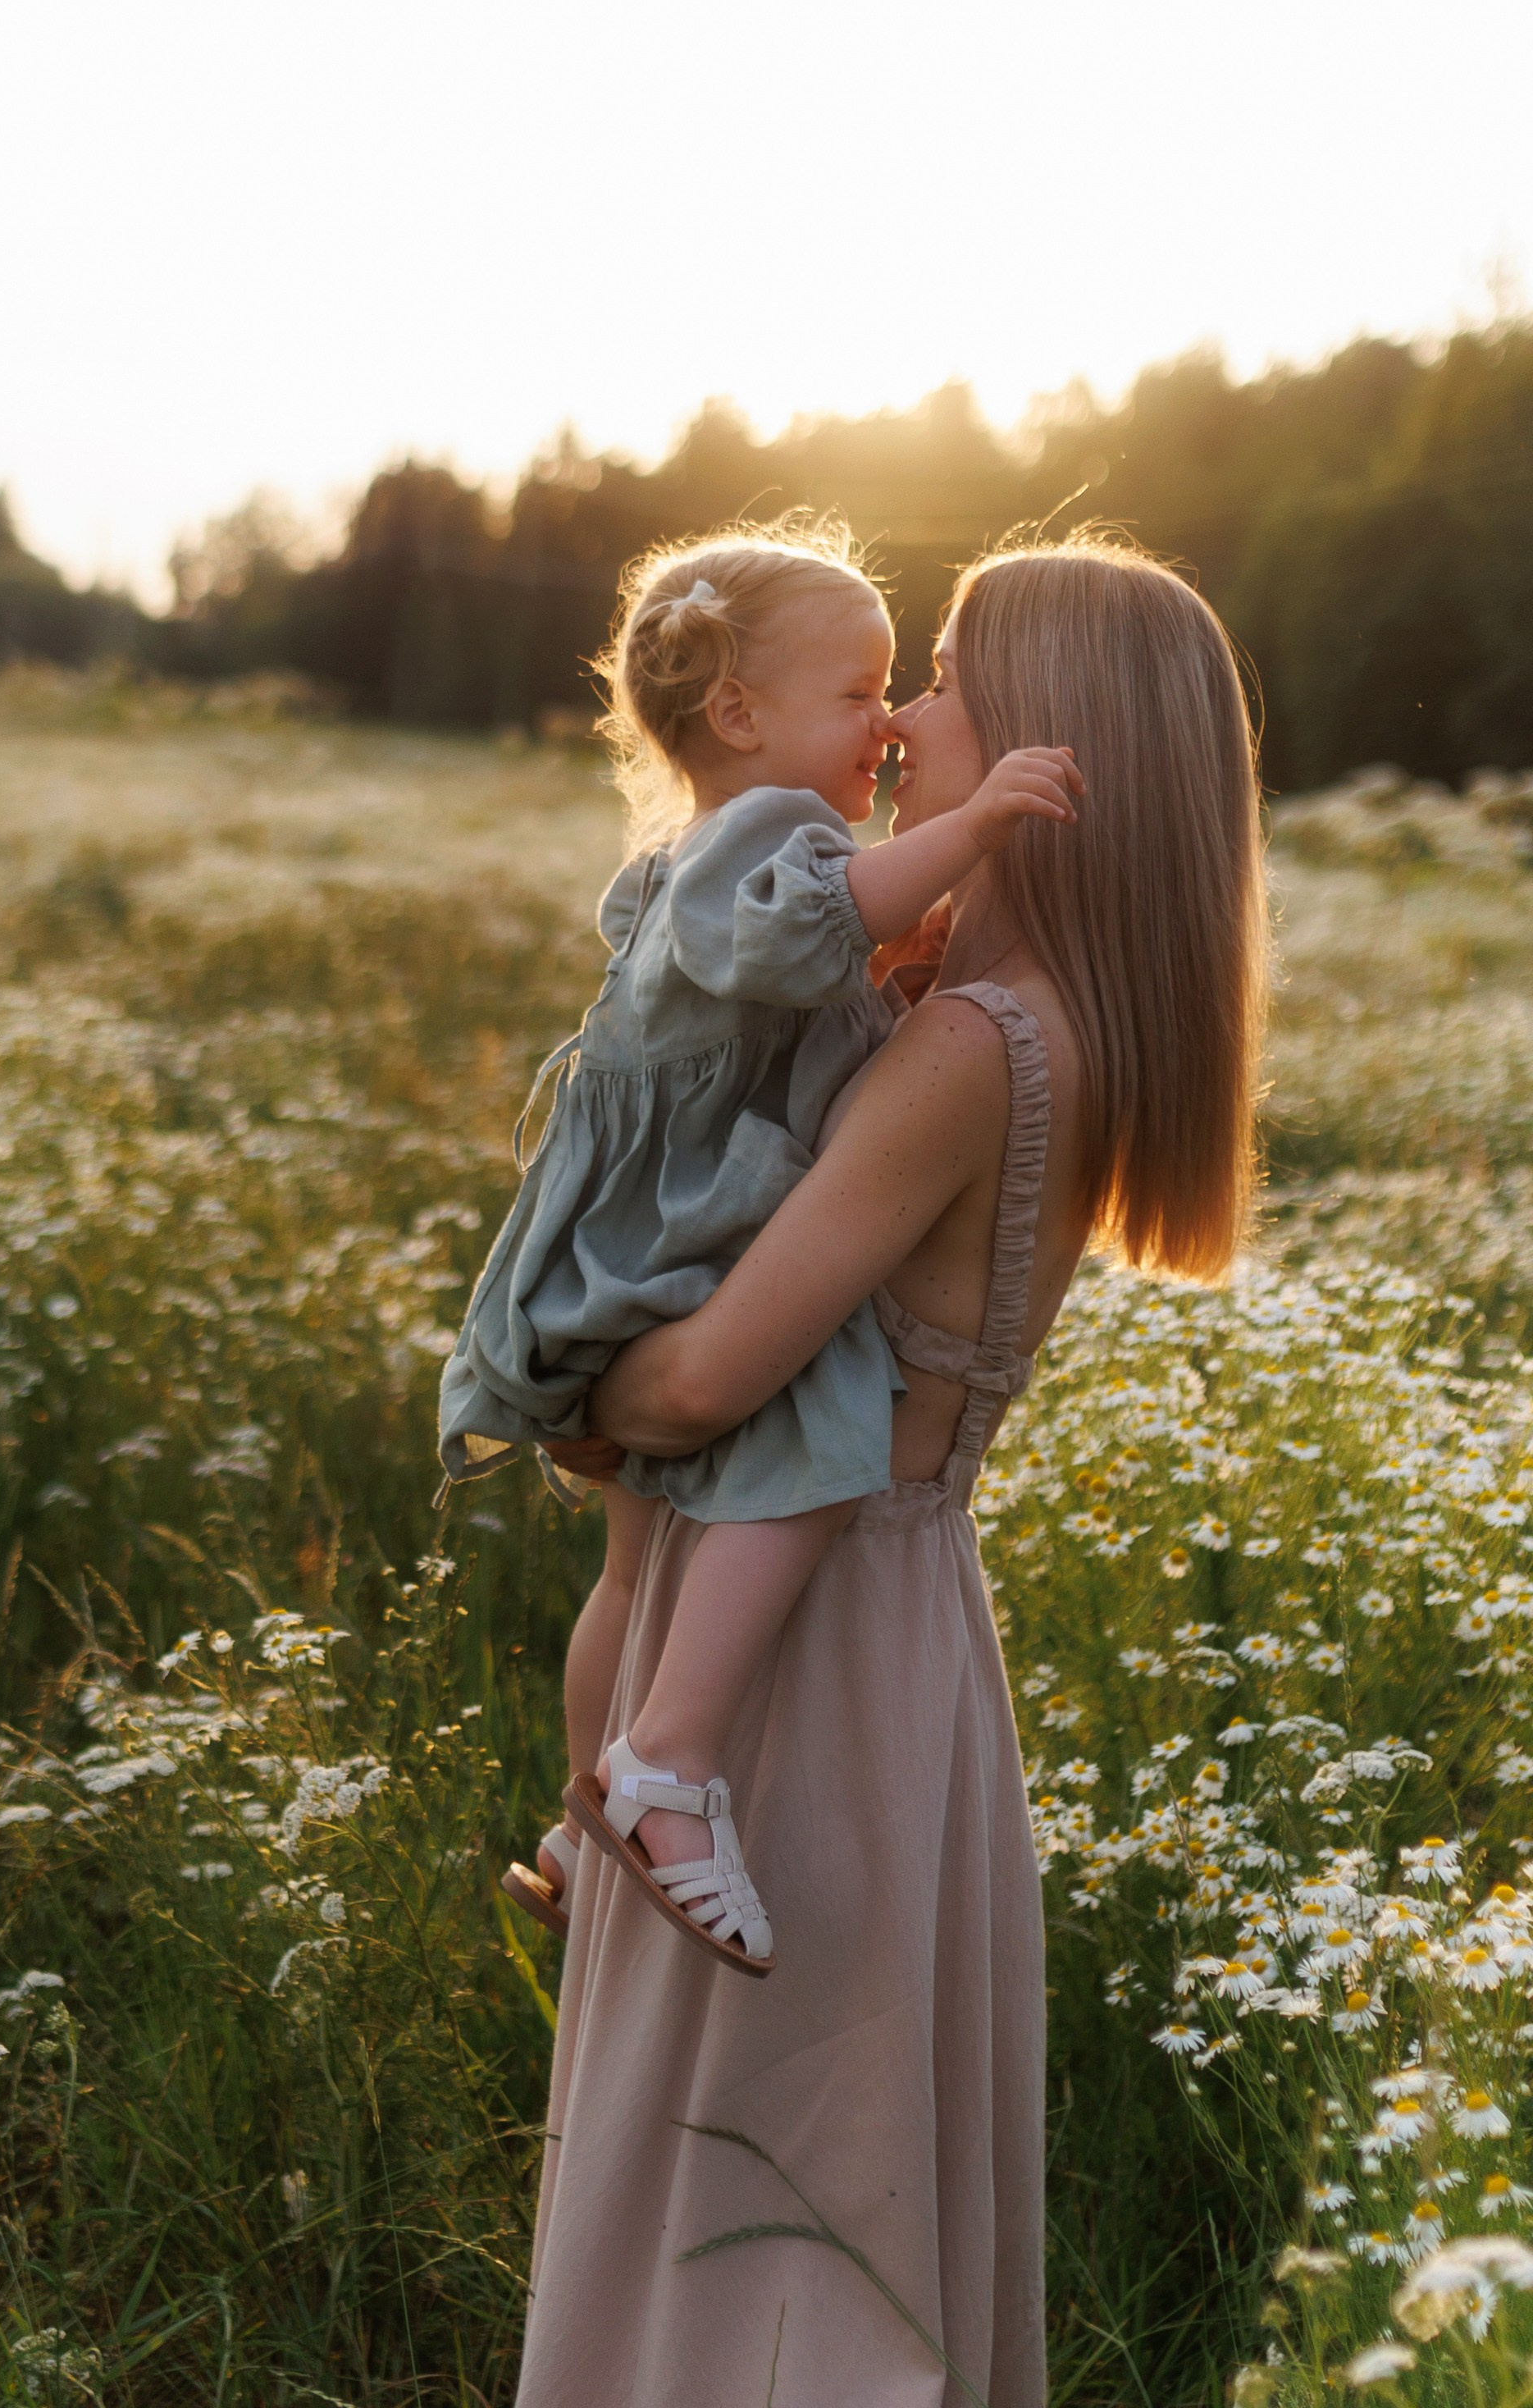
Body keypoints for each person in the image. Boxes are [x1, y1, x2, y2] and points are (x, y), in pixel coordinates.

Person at [513, 532, 1268, 2407]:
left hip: (801, 1653)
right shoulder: (1033, 1020)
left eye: (938, 678)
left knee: (756, 2234)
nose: (906, 721)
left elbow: (706, 1386)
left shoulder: (969, 1049)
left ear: (1052, 740)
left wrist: (562, 1379)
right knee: (822, 2198)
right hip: (890, 1628)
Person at [438, 523, 1081, 1969]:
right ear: (737, 713)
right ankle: (667, 1765)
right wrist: (973, 835)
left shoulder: (718, 847)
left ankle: (583, 1812)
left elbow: (797, 976)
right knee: (820, 1435)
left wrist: (900, 954)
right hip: (690, 1235)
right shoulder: (775, 834)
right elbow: (811, 935)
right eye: (859, 692)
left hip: (637, 1236)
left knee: (632, 1569)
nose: (888, 724)